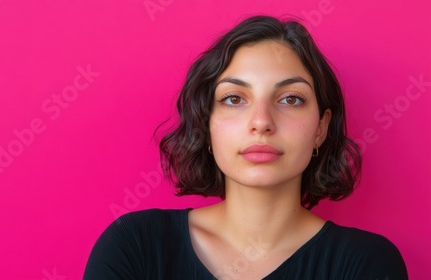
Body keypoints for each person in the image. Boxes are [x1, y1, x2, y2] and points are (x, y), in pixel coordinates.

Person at [83, 15, 408, 279]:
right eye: (234, 99)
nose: (261, 122)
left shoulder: (366, 264)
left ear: (321, 128)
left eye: (290, 99)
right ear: (206, 125)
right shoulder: (135, 246)